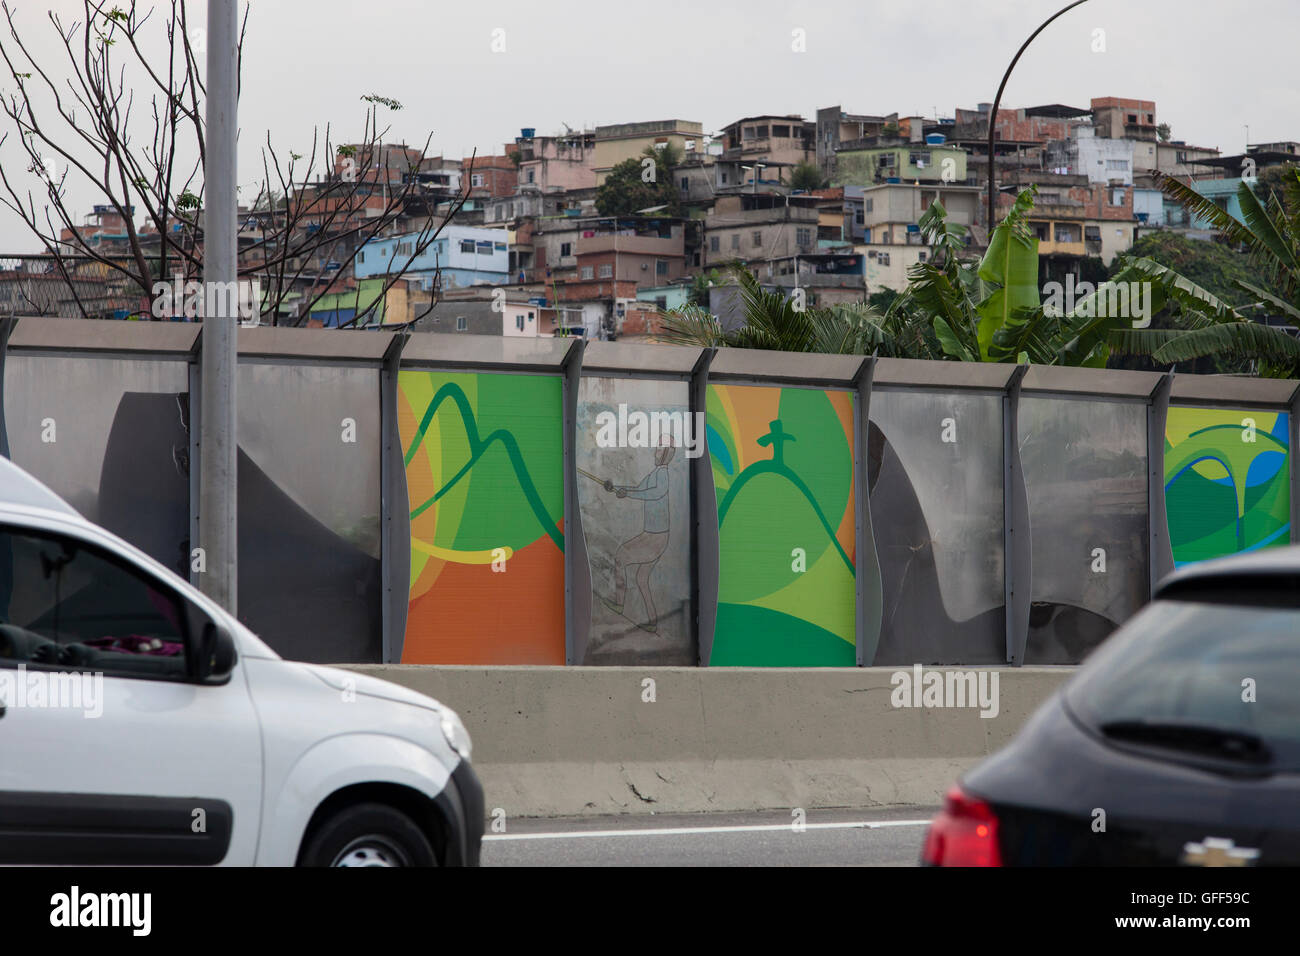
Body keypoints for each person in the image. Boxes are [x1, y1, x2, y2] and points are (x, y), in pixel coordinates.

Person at [603, 439, 674, 632]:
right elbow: (638, 489)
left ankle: (619, 603)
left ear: (668, 453)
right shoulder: (655, 474)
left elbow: (653, 494)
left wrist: (629, 494)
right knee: (642, 579)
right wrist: (618, 489)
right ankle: (652, 622)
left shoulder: (663, 477)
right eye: (657, 449)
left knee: (620, 557)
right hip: (652, 535)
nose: (656, 453)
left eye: (660, 450)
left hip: (656, 538)